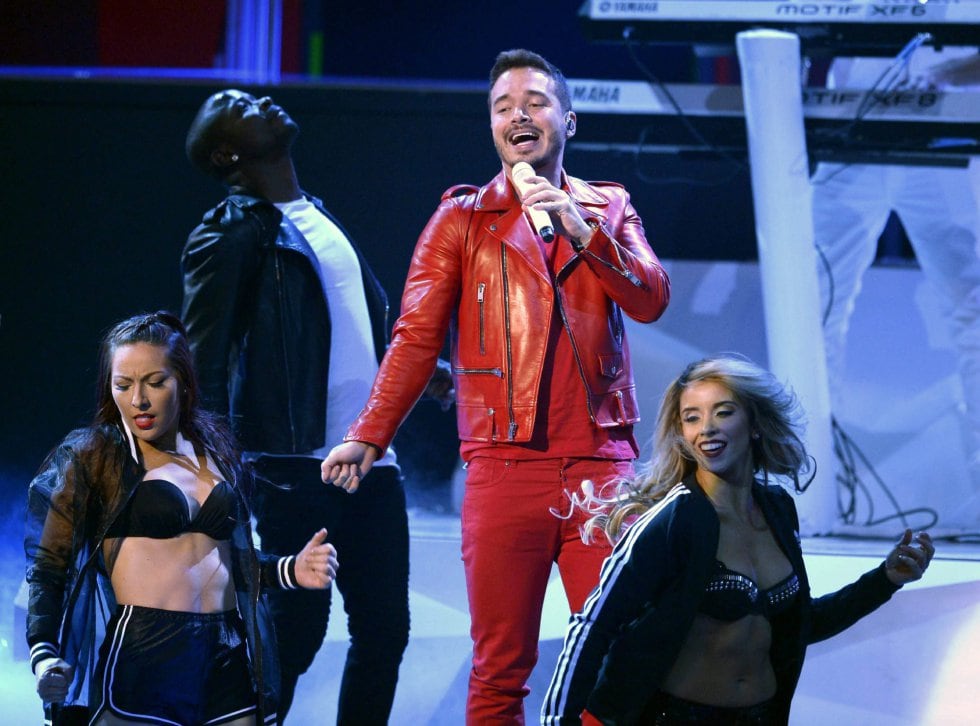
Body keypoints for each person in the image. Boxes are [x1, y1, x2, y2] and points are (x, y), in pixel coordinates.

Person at [322, 49, 671, 724]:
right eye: (503, 106)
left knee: (618, 656)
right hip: (504, 467)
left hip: (604, 467)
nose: (520, 115)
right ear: (490, 126)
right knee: (500, 667)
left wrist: (582, 228)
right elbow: (416, 340)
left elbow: (652, 298)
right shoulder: (461, 220)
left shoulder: (611, 207)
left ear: (568, 119)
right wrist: (368, 435)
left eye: (536, 102)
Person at [181, 89, 429, 723]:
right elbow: (201, 360)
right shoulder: (231, 232)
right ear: (228, 152)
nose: (261, 99)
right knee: (293, 635)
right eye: (238, 105)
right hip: (292, 463)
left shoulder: (316, 215)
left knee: (385, 632)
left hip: (373, 460)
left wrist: (429, 376)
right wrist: (205, 466)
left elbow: (358, 330)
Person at [541, 354, 935, 725]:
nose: (706, 428)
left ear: (755, 424)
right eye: (691, 418)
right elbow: (592, 627)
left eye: (723, 412)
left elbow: (801, 624)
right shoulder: (671, 521)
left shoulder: (778, 509)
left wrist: (885, 581)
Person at [24, 311, 337, 725]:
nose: (139, 399)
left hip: (225, 650)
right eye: (123, 385)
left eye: (155, 382)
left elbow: (234, 566)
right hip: (145, 653)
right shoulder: (95, 457)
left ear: (184, 381)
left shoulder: (215, 450)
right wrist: (44, 654)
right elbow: (49, 568)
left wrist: (292, 570)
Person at [811, 45, 980, 505]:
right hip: (855, 128)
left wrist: (947, 72)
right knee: (812, 305)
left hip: (947, 129)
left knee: (973, 316)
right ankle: (812, 487)